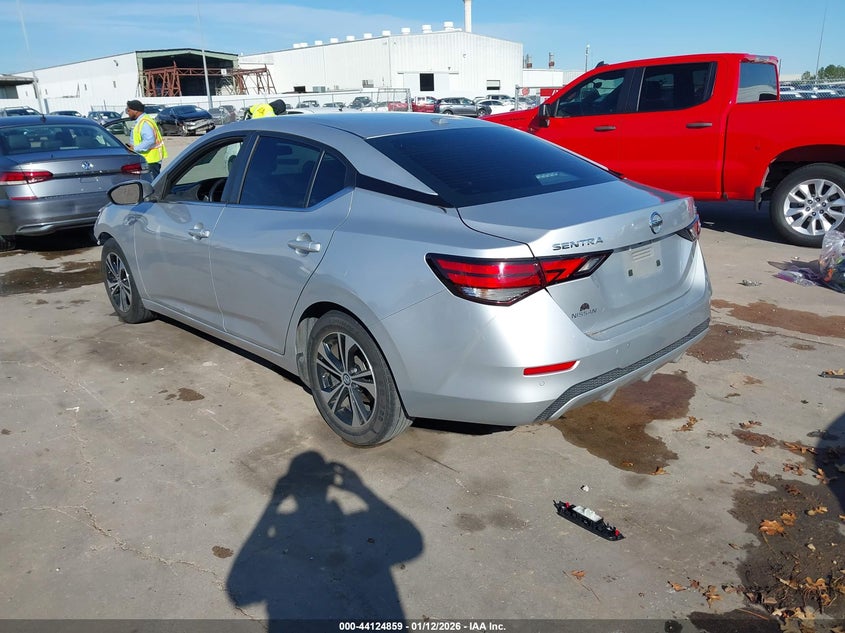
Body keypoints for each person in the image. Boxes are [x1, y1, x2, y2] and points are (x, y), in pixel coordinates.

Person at [125, 99, 167, 178]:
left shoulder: (144, 122)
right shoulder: (142, 121)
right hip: (147, 159)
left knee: (152, 183)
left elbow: (150, 140)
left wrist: (134, 148)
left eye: (128, 110)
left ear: (135, 110)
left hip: (150, 160)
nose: (127, 113)